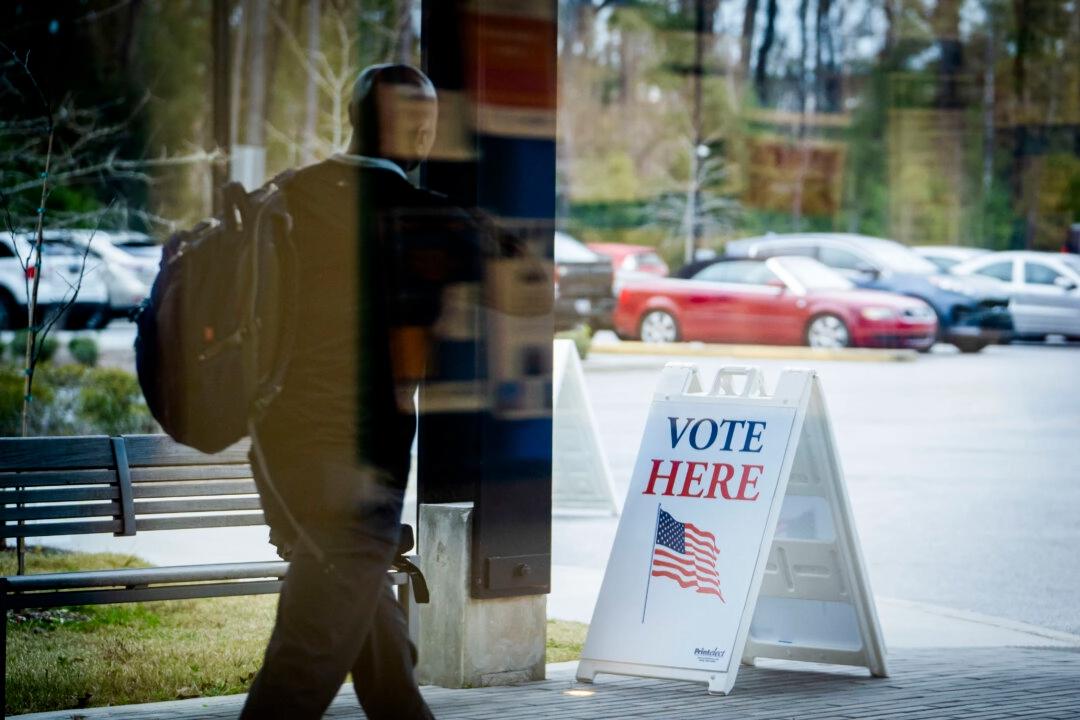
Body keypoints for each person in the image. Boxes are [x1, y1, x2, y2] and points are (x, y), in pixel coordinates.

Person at [240, 63, 479, 720]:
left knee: (372, 636)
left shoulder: (288, 193)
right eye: (422, 125)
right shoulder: (420, 215)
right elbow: (533, 286)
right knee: (304, 659)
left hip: (277, 453)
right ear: (414, 132)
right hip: (359, 463)